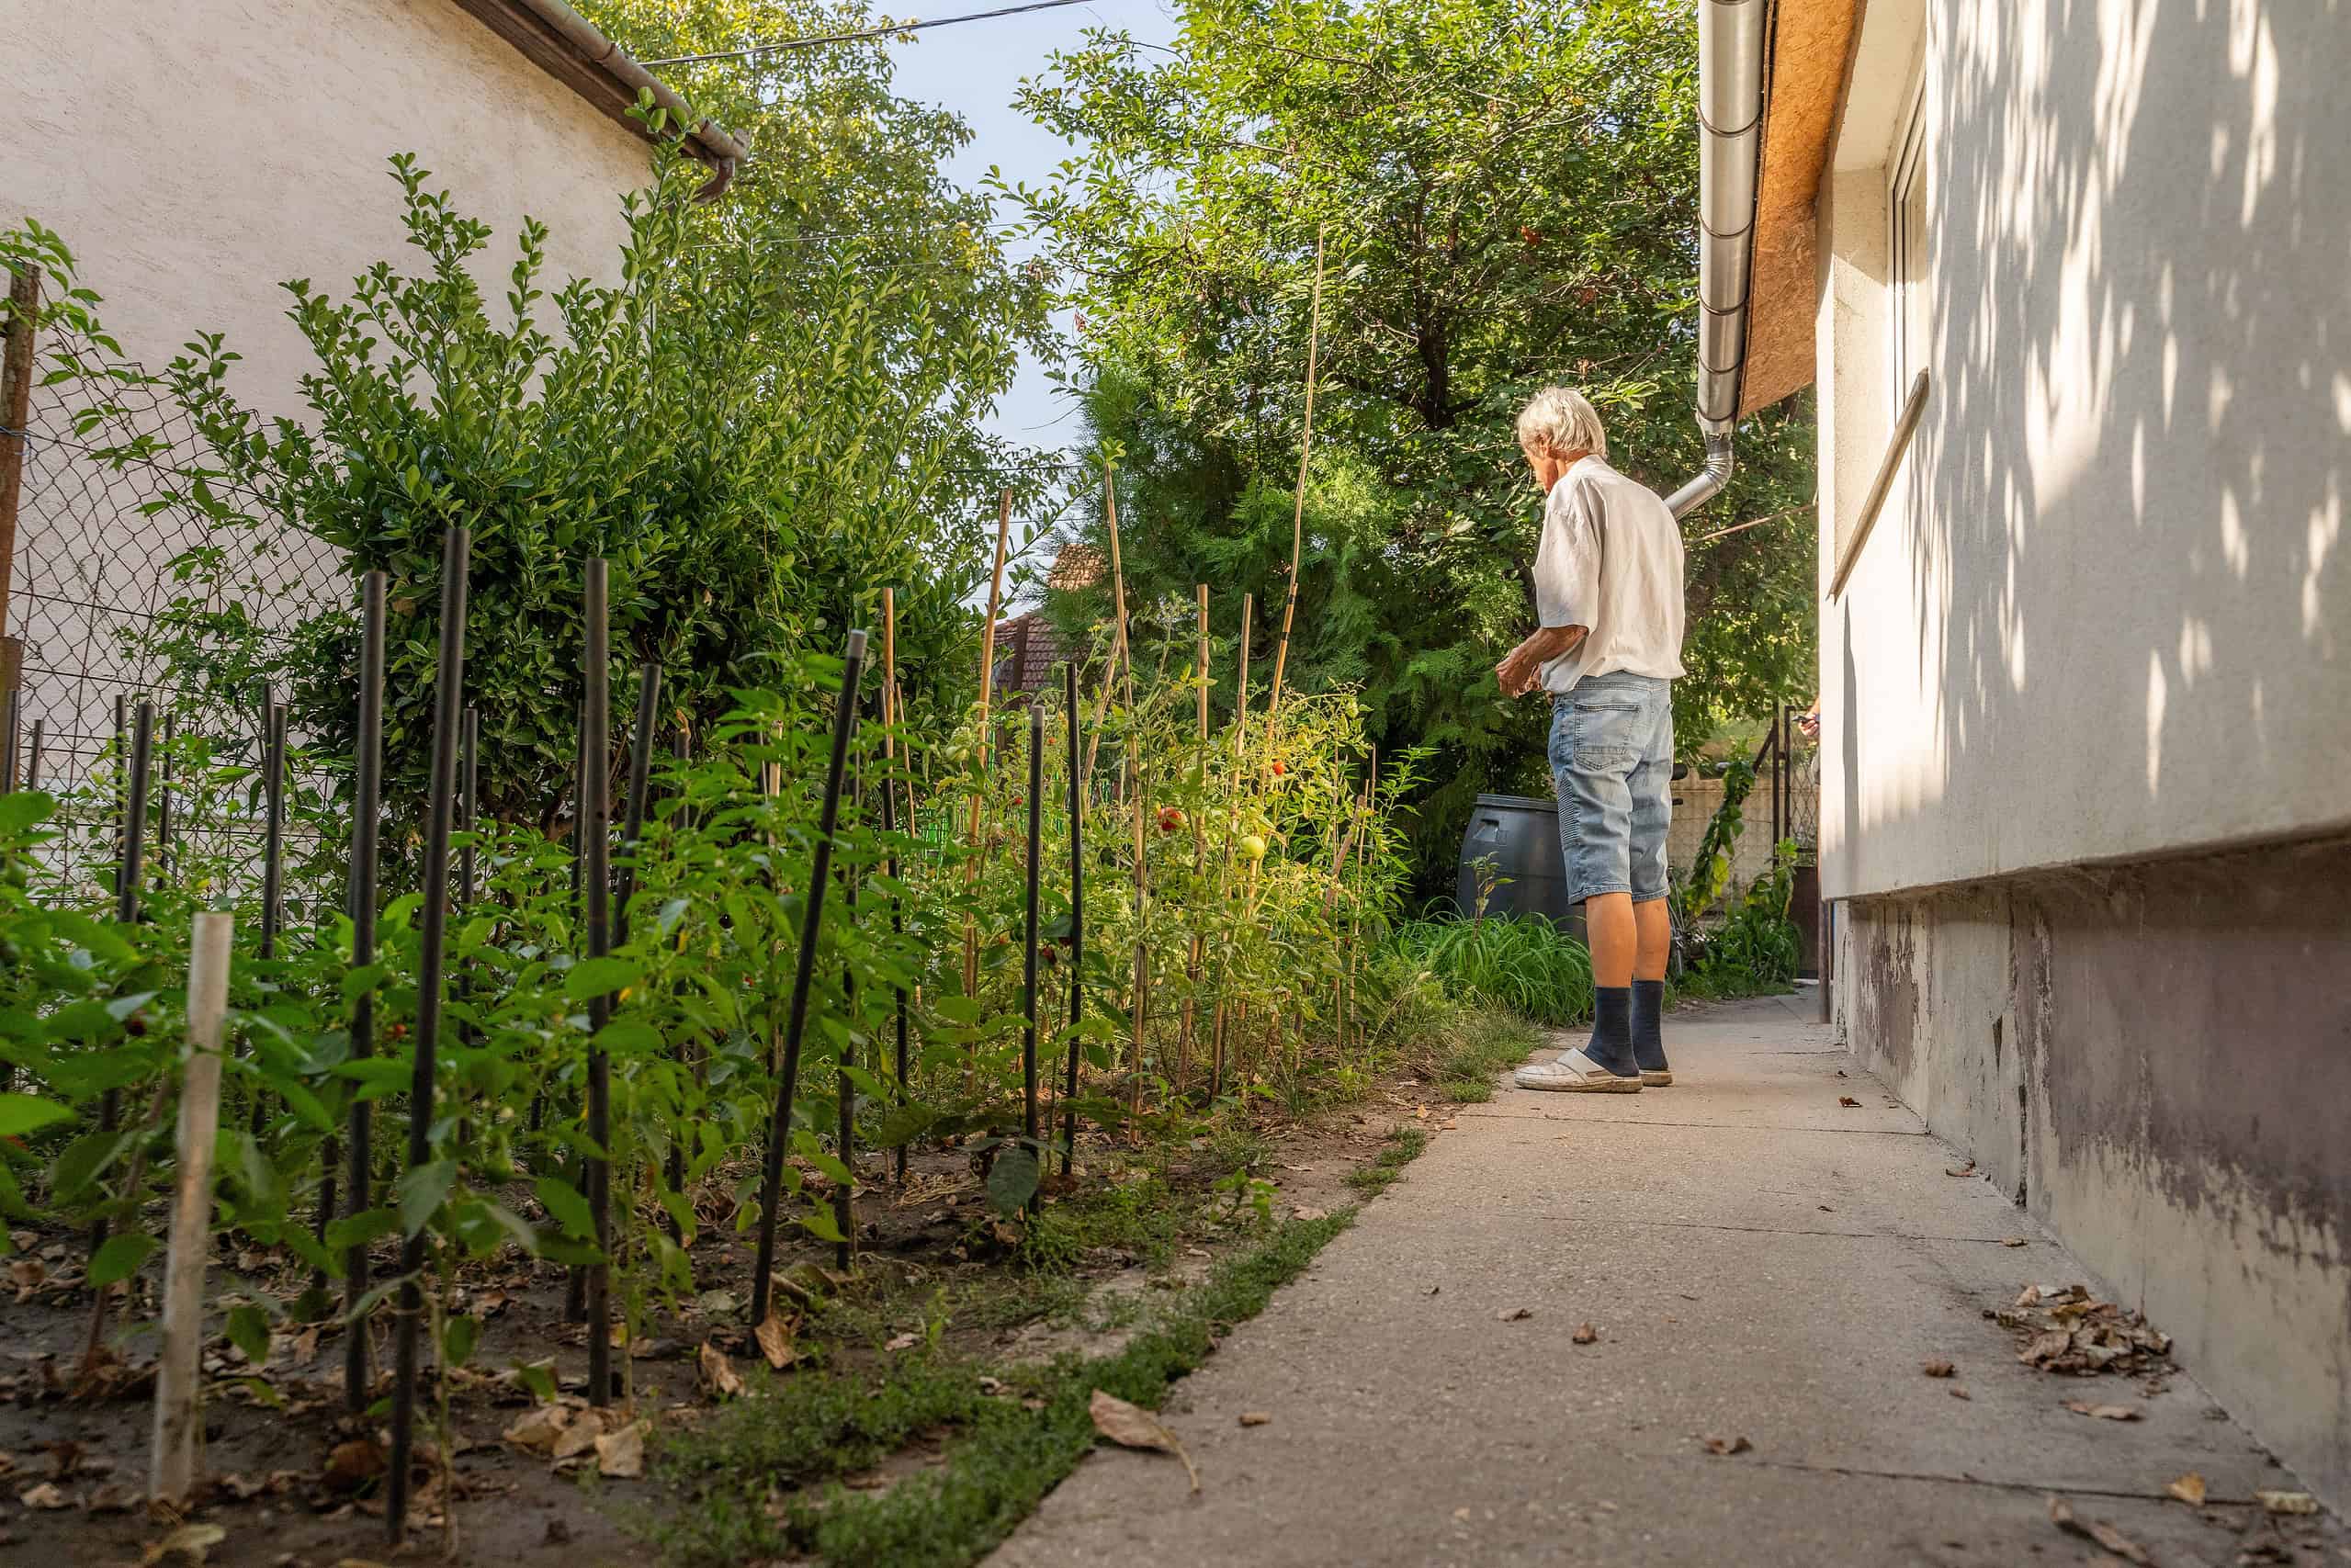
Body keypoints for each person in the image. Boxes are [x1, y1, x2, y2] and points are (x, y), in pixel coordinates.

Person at [1493, 387, 1685, 1091]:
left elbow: (1570, 620)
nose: (1532, 470)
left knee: (1602, 864)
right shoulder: (1651, 504)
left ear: (1548, 443)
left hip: (1600, 703)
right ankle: (1645, 1047)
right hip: (1653, 699)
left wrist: (1521, 661)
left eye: (1528, 456)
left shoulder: (1573, 492)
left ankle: (1606, 1052)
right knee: (1645, 870)